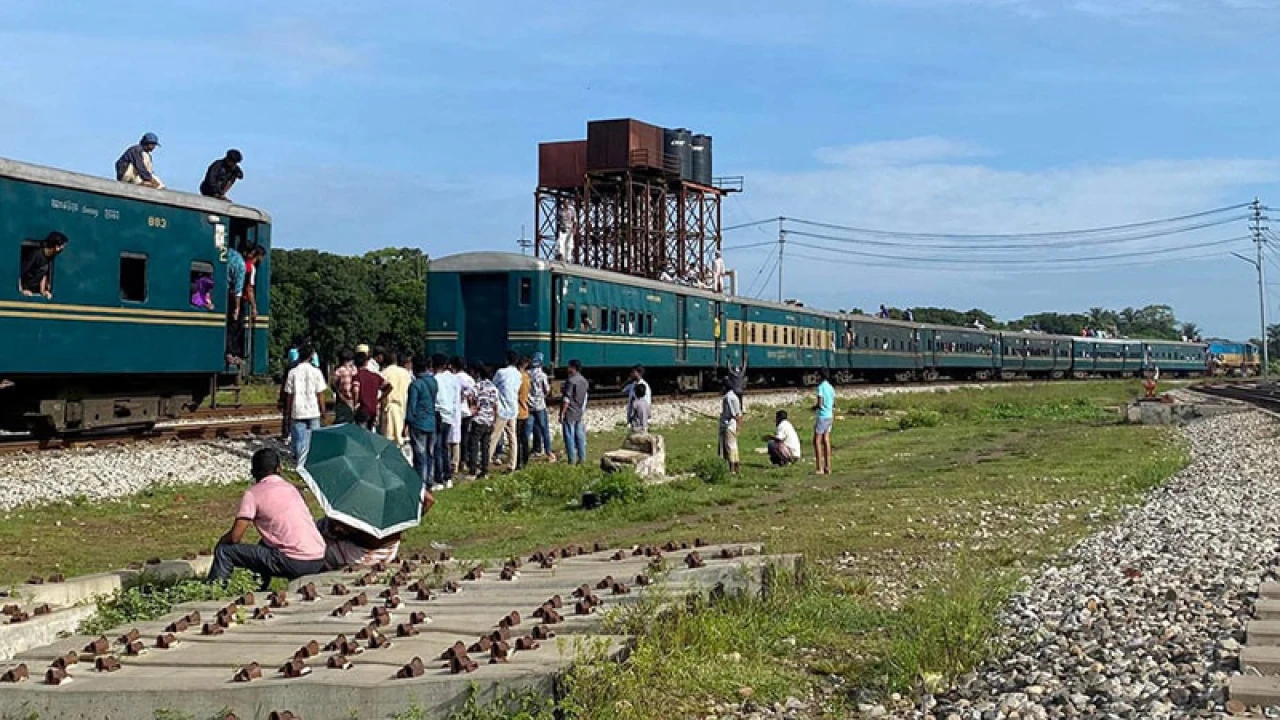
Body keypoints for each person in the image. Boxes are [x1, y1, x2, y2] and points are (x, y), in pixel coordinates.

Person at [207, 448, 325, 589]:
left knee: (225, 551)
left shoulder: (253, 493)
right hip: (317, 557)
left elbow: (235, 537)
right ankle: (257, 586)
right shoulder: (291, 489)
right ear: (279, 468)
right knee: (264, 544)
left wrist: (221, 542)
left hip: (293, 561)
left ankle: (214, 591)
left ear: (253, 472)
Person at [316, 486, 434, 569]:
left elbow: (363, 536)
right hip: (390, 549)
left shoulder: (364, 500)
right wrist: (406, 521)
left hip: (362, 556)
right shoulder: (397, 487)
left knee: (319, 538)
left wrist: (338, 524)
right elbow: (429, 499)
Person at [283, 343, 327, 461]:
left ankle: (300, 462)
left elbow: (289, 395)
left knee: (299, 439)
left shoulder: (293, 372)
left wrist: (288, 411)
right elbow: (320, 394)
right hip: (313, 410)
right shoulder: (316, 372)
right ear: (311, 356)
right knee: (314, 439)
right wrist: (323, 410)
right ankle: (312, 460)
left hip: (298, 410)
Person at [405, 355, 438, 487]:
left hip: (419, 423)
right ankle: (430, 480)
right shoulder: (433, 382)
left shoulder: (415, 385)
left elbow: (411, 407)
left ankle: (421, 482)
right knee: (430, 453)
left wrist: (407, 423)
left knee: (420, 455)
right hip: (432, 421)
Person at [490, 351, 522, 472]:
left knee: (494, 436)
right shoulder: (518, 374)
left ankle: (486, 462)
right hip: (513, 408)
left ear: (507, 360)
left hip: (502, 409)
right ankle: (512, 464)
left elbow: (493, 386)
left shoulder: (501, 372)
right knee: (512, 437)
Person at [467, 364, 499, 478]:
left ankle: (473, 470)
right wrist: (494, 420)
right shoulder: (494, 388)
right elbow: (495, 406)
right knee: (485, 447)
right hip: (489, 420)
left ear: (479, 374)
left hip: (479, 419)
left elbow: (470, 396)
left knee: (474, 445)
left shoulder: (478, 386)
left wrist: (473, 406)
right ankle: (485, 470)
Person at [431, 354, 456, 489]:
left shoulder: (435, 379)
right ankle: (448, 477)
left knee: (437, 447)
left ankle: (439, 479)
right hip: (449, 414)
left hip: (438, 413)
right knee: (445, 447)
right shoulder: (452, 379)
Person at [19, 232, 69, 299]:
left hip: (34, 289)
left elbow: (44, 275)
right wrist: (22, 290)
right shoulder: (36, 254)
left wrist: (43, 291)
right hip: (26, 288)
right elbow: (23, 271)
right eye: (61, 246)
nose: (62, 248)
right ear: (56, 246)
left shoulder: (50, 258)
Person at [560, 359, 588, 465]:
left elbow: (566, 399)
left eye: (569, 366)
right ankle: (582, 458)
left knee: (569, 436)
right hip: (579, 411)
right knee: (580, 436)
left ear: (573, 368)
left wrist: (562, 413)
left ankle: (571, 459)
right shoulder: (584, 381)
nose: (567, 368)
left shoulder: (571, 381)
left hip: (570, 412)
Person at [380, 351, 412, 445]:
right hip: (403, 408)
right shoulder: (405, 373)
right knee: (401, 439)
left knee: (388, 439)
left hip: (388, 408)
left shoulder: (384, 373)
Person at [527, 353, 554, 461]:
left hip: (529, 405)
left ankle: (526, 450)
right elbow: (546, 390)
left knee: (528, 430)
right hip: (540, 406)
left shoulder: (526, 374)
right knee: (544, 429)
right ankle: (548, 451)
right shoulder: (542, 375)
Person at [451, 356, 475, 475]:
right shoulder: (469, 379)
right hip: (467, 411)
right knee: (465, 437)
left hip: (456, 411)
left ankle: (454, 461)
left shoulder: (453, 378)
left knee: (455, 438)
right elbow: (473, 395)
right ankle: (463, 462)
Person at [354, 352, 387, 431]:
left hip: (363, 409)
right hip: (373, 409)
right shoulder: (375, 376)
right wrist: (379, 399)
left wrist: (355, 405)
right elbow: (389, 387)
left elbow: (356, 391)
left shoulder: (357, 376)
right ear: (366, 363)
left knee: (361, 433)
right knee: (370, 432)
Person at [813, 369, 835, 475]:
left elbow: (820, 403)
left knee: (817, 441)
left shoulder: (820, 387)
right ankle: (828, 467)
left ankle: (819, 468)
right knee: (826, 440)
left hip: (822, 416)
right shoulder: (831, 387)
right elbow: (833, 402)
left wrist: (814, 407)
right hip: (830, 415)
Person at [330, 350, 360, 424]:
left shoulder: (354, 369)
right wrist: (339, 394)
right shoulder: (340, 370)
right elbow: (333, 383)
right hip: (344, 399)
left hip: (352, 399)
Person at [719, 378, 742, 474]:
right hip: (733, 424)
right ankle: (737, 467)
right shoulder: (734, 396)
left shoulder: (728, 397)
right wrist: (739, 426)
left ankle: (732, 468)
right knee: (734, 446)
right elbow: (739, 413)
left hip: (729, 424)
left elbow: (734, 414)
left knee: (729, 446)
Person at [515, 356, 532, 469]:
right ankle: (524, 459)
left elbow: (519, 395)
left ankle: (519, 461)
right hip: (524, 411)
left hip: (519, 411)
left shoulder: (520, 378)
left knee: (518, 438)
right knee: (523, 437)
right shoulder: (526, 377)